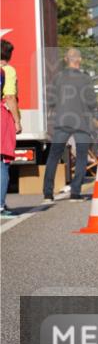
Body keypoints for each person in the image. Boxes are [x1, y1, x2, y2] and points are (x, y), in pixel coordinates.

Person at [43, 48, 98, 203]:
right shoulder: (85, 78)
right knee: (81, 156)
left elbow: (51, 101)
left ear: (66, 60)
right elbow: (92, 102)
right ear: (79, 60)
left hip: (62, 121)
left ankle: (48, 194)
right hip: (81, 122)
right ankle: (75, 193)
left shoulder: (58, 78)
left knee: (54, 156)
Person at [1, 40, 22, 217]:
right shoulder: (7, 70)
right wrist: (17, 121)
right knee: (2, 163)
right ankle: (0, 206)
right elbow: (9, 96)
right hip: (2, 117)